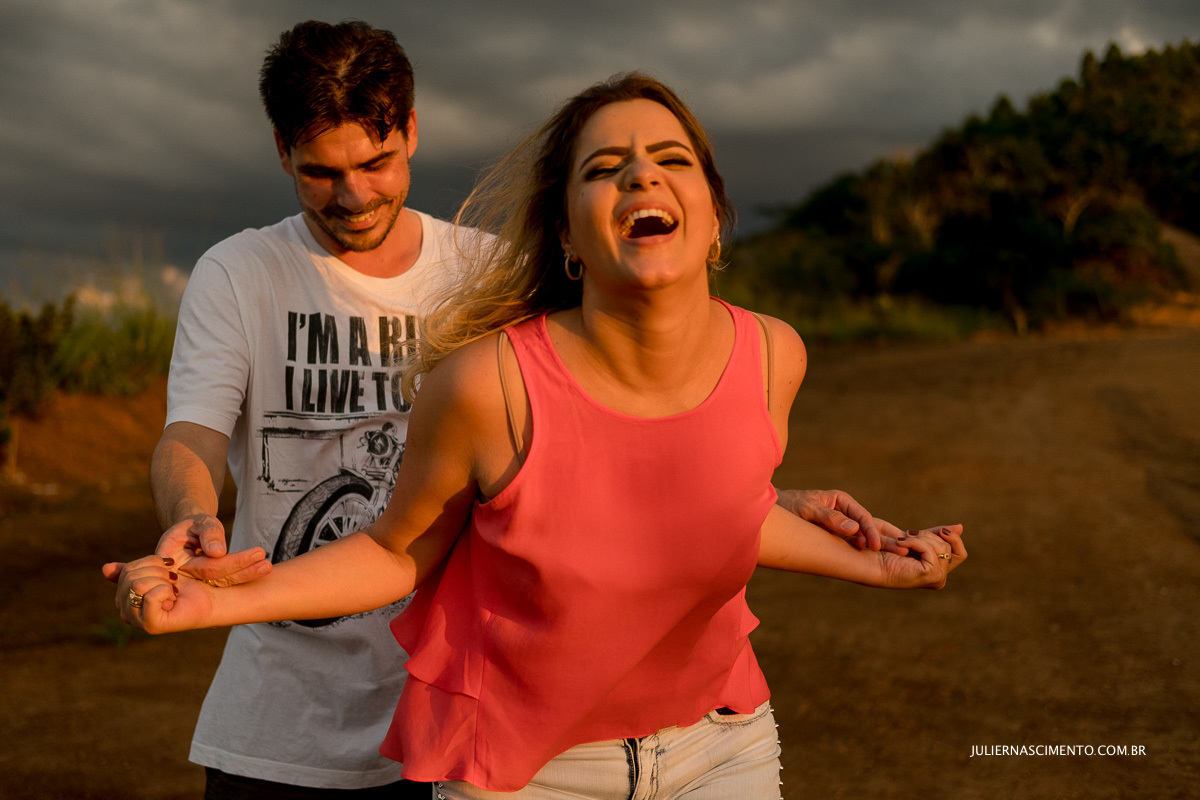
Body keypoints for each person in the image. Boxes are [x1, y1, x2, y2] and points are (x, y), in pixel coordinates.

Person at [101, 21, 906, 800]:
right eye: (320, 173)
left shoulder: (489, 275)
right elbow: (193, 433)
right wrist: (191, 514)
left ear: (411, 131)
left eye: (375, 163)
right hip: (287, 728)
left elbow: (586, 443)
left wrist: (748, 501)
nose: (353, 195)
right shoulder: (240, 273)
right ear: (283, 152)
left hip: (465, 716)